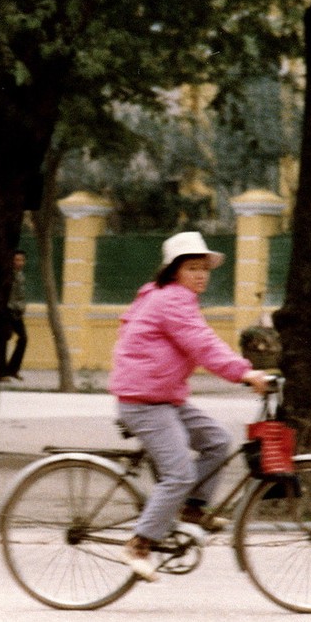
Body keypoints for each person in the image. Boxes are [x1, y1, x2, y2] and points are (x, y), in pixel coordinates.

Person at [108, 231, 269, 582]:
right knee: (179, 473)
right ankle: (138, 543)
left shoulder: (169, 297)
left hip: (164, 397)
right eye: (192, 267)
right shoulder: (171, 300)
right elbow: (203, 344)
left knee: (216, 441)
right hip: (144, 401)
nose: (200, 274)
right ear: (173, 271)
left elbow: (200, 341)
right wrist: (245, 373)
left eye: (204, 268)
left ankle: (191, 512)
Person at [2, 250, 28, 381]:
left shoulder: (20, 275)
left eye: (21, 260)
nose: (19, 263)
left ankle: (12, 369)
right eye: (16, 260)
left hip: (17, 311)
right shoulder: (8, 275)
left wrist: (22, 307)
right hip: (8, 311)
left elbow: (20, 295)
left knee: (23, 338)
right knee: (4, 339)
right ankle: (3, 372)